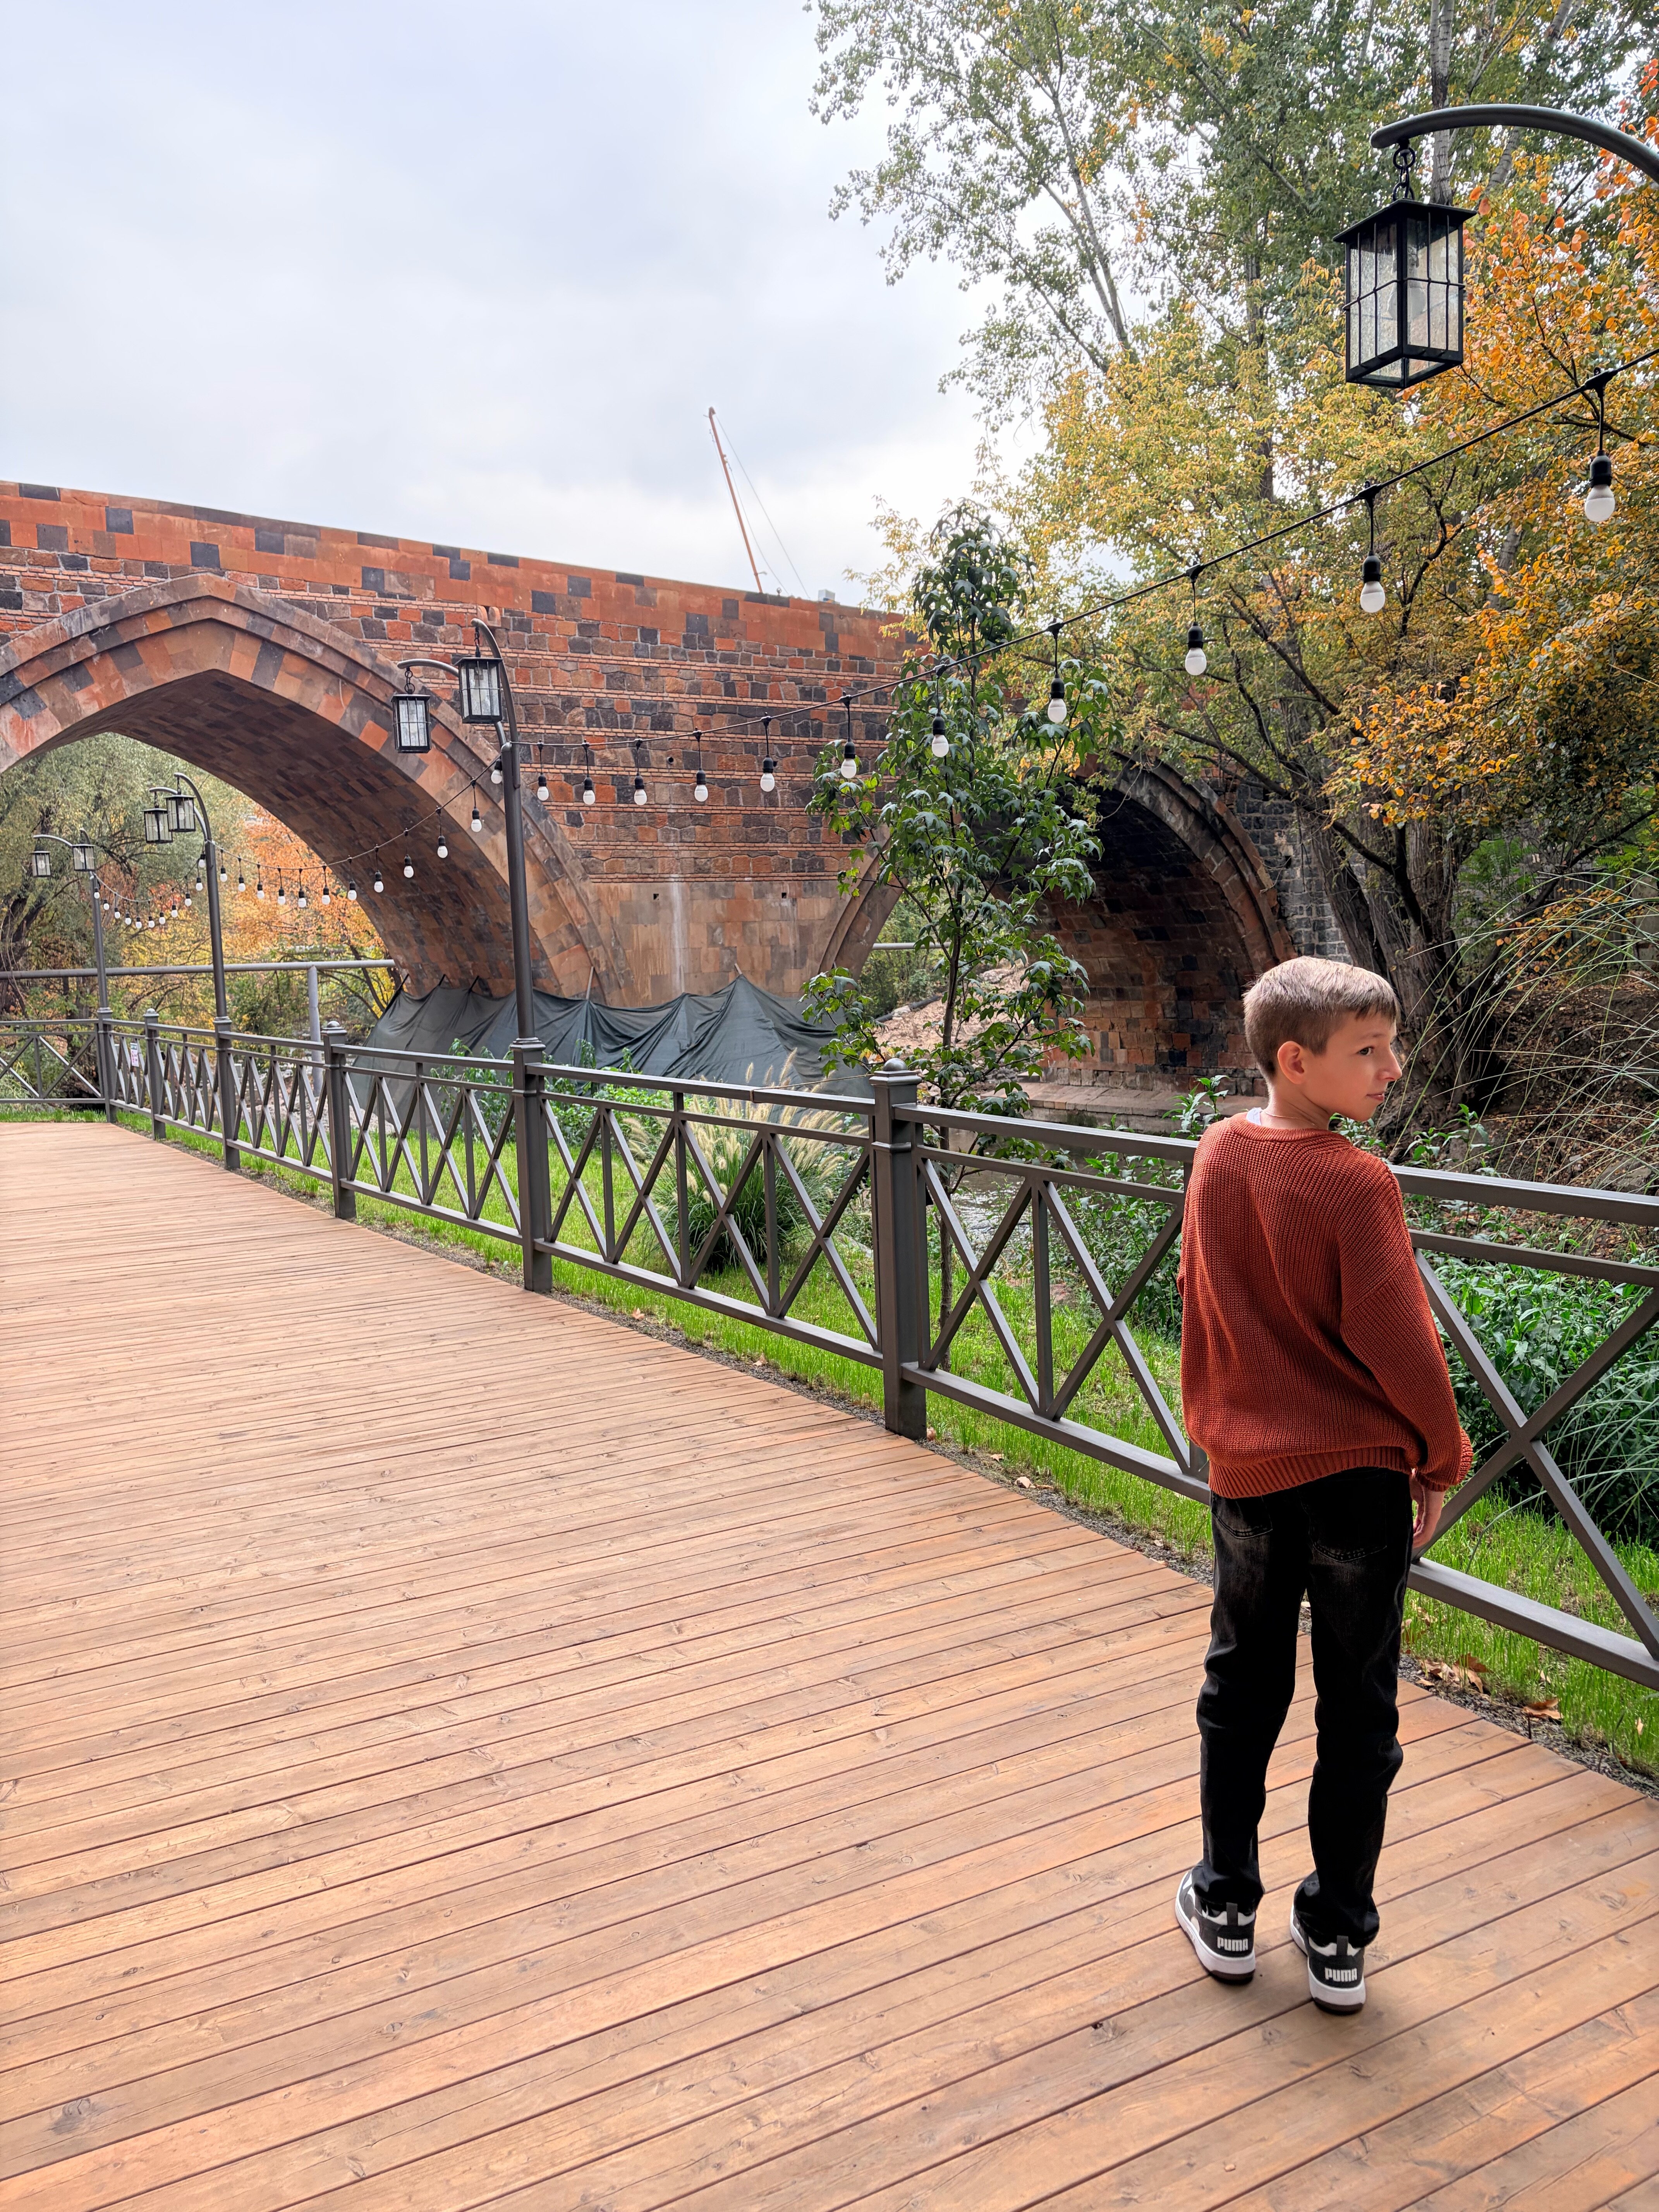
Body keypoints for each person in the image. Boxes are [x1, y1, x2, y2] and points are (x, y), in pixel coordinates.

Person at [1172, 956, 1470, 2013]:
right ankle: (1337, 1928)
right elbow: (1397, 1339)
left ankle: (1222, 1902)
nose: (1392, 1068)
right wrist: (1442, 1454)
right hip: (1353, 1484)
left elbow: (1198, 1303)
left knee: (1240, 1686)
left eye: (1389, 1045)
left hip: (1247, 1475)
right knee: (1358, 1705)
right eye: (1368, 1052)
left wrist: (1220, 1425)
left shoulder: (1214, 1155)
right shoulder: (1354, 1181)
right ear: (1296, 1062)